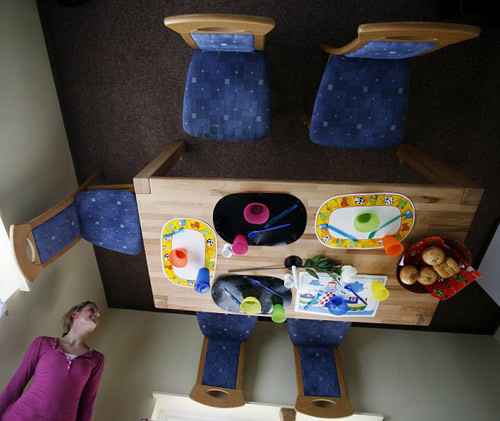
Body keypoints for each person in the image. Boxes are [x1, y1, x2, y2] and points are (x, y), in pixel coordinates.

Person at [0, 301, 105, 420]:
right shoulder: (42, 343)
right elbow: (17, 383)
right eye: (92, 310)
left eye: (98, 315)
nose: (96, 314)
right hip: (21, 416)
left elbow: (87, 403)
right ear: (75, 314)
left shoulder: (97, 359)